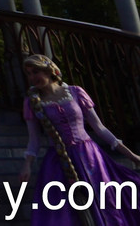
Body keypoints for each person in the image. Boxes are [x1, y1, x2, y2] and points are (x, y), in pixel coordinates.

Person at [19, 53, 140, 226]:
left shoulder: (75, 92)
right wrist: (27, 165)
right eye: (29, 74)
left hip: (90, 157)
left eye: (36, 72)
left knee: (106, 201)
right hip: (59, 161)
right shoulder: (31, 102)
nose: (32, 77)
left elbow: (100, 128)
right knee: (63, 211)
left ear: (48, 71)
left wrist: (132, 156)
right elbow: (34, 140)